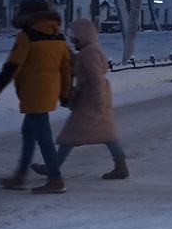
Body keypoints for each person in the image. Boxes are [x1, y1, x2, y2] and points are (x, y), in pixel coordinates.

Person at [31, 18, 130, 181]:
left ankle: (52, 167)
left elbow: (95, 77)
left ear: (82, 37)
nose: (72, 41)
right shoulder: (89, 49)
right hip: (93, 98)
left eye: (74, 38)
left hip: (91, 99)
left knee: (71, 135)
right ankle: (121, 166)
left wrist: (99, 102)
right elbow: (81, 64)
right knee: (106, 134)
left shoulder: (90, 52)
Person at [0, 0, 72, 194]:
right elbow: (67, 69)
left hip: (33, 92)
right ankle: (20, 175)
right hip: (50, 91)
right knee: (29, 132)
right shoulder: (59, 37)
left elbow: (13, 65)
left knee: (43, 136)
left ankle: (55, 178)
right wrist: (65, 94)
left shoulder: (26, 36)